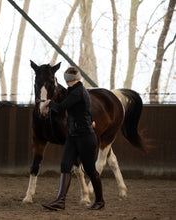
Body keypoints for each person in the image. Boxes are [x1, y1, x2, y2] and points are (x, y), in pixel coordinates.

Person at [42, 67, 104, 211]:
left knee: (90, 170)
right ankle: (60, 201)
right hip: (73, 137)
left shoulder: (78, 92)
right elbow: (85, 110)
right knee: (65, 165)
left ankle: (100, 201)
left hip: (85, 138)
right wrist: (91, 120)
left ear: (68, 80)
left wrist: (48, 103)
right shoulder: (75, 91)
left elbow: (61, 107)